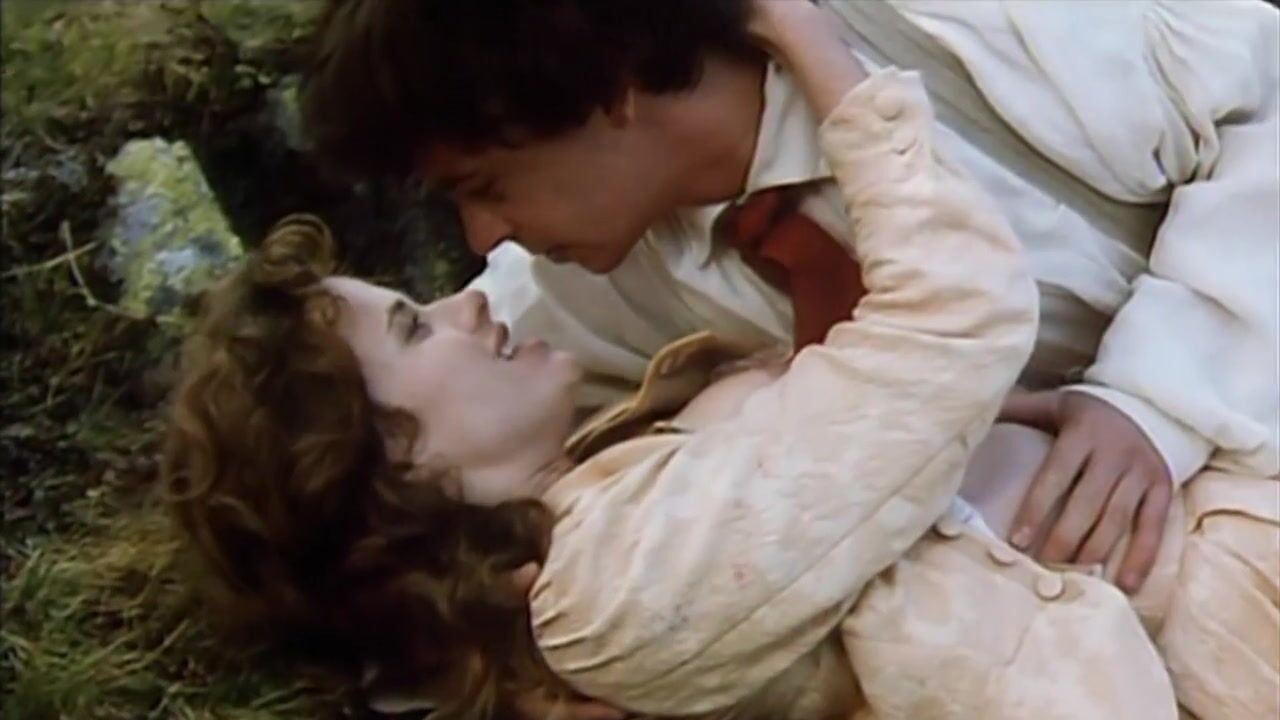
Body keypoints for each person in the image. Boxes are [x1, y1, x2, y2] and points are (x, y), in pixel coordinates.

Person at [300, 2, 1279, 717]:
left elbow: (1263, 96)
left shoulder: (933, 28)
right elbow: (369, 490)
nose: (480, 238)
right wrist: (511, 672)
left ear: (605, 93)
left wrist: (1155, 396)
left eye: (484, 185)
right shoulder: (568, 298)